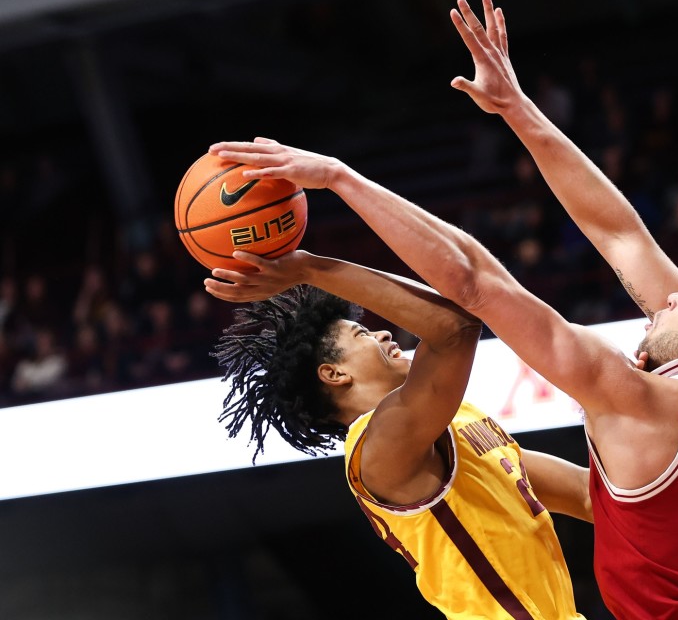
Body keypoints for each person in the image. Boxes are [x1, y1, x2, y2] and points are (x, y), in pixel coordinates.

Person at [208, 0, 678, 619]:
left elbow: (473, 292)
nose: (671, 296)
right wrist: (516, 108)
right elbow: (618, 236)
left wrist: (339, 179)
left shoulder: (633, 397)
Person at [205, 249, 590, 620]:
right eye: (362, 334)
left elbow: (588, 496)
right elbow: (455, 327)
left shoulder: (457, 419)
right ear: (334, 374)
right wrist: (312, 269)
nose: (385, 333)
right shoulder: (378, 448)